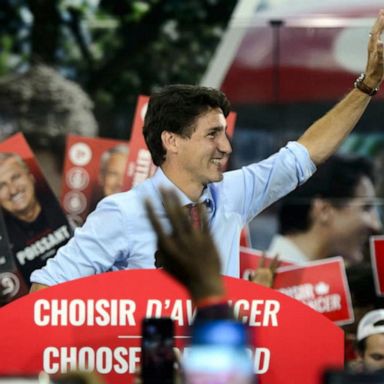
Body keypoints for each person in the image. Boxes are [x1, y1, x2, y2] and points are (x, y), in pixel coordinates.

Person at [30, 10, 384, 291]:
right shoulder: (122, 213)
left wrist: (367, 85)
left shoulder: (234, 193)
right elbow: (45, 292)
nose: (226, 147)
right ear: (171, 140)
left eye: (225, 133)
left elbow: (305, 154)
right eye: (212, 134)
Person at [268, 154, 382, 265]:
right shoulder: (270, 280)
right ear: (324, 210)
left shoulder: (304, 278)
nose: (376, 225)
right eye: (366, 208)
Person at [0, 152, 72, 286]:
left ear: (31, 177)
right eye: (1, 186)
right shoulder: (3, 248)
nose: (13, 190)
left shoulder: (70, 209)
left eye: (15, 177)